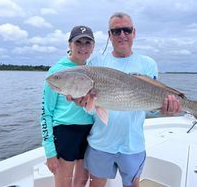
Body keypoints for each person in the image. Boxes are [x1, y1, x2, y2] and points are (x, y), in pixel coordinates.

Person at [70, 12, 181, 187]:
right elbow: (90, 108)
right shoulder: (95, 63)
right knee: (96, 183)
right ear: (109, 35)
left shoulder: (148, 63)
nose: (122, 35)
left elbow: (151, 106)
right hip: (101, 142)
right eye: (116, 31)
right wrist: (83, 103)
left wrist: (164, 108)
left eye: (127, 30)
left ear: (134, 33)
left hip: (133, 144)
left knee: (132, 184)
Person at [40, 25, 95, 187]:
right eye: (78, 42)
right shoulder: (56, 72)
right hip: (65, 131)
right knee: (64, 183)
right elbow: (45, 113)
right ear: (70, 44)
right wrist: (50, 152)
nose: (83, 47)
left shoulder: (93, 70)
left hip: (89, 131)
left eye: (87, 43)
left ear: (93, 47)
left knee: (82, 180)